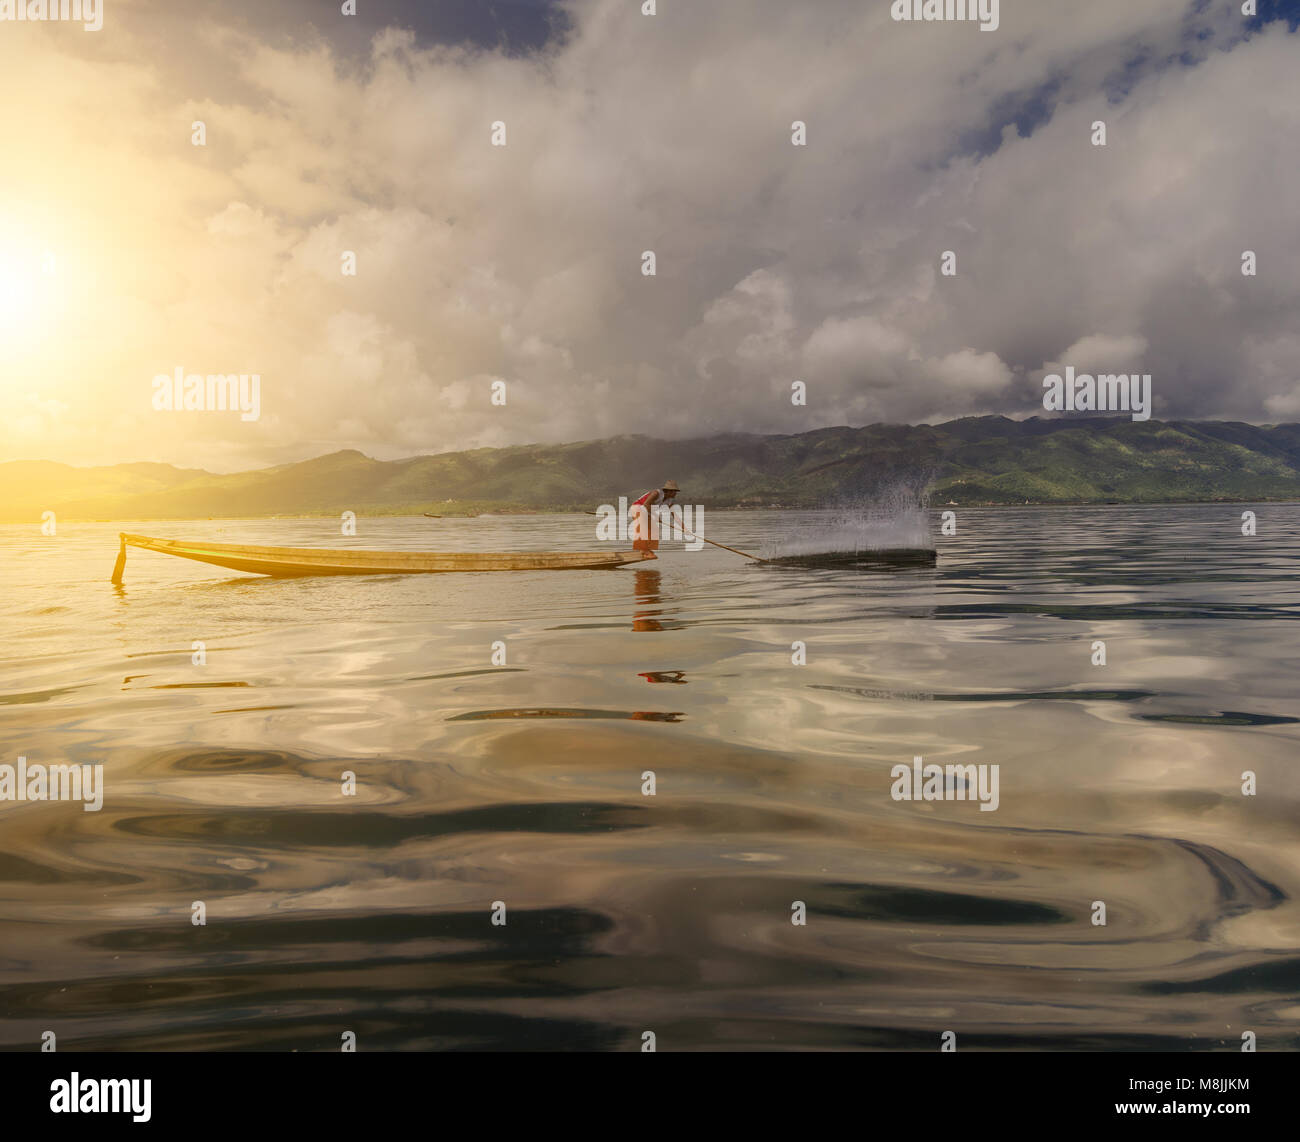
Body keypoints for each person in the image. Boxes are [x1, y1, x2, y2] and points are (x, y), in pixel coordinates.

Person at [629, 480, 681, 552]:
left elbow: (675, 515)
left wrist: (684, 528)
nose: (676, 493)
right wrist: (655, 516)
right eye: (675, 491)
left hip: (647, 512)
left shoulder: (669, 500)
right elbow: (646, 504)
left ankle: (648, 550)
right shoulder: (656, 493)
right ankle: (642, 550)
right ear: (669, 491)